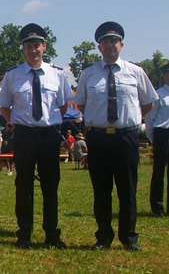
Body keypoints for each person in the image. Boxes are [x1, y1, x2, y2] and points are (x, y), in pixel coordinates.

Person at [74, 21, 157, 252]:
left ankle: (129, 238)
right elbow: (80, 103)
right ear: (99, 47)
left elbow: (148, 102)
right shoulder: (88, 73)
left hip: (126, 137)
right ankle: (103, 237)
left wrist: (129, 119)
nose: (109, 45)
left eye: (114, 41)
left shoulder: (136, 71)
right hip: (99, 138)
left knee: (127, 189)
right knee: (101, 190)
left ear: (121, 45)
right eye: (105, 42)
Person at [0, 23, 73, 249]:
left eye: (37, 45)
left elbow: (63, 106)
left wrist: (46, 124)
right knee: (23, 184)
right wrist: (19, 124)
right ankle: (24, 234)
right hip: (25, 135)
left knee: (51, 184)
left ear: (44, 47)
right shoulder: (12, 75)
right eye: (28, 46)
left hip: (49, 135)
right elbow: (5, 107)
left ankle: (52, 233)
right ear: (23, 49)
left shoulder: (57, 74)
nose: (33, 50)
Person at [145, 63, 169, 218]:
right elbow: (149, 119)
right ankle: (157, 207)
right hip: (163, 134)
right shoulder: (158, 95)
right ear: (165, 76)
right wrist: (154, 139)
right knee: (159, 171)